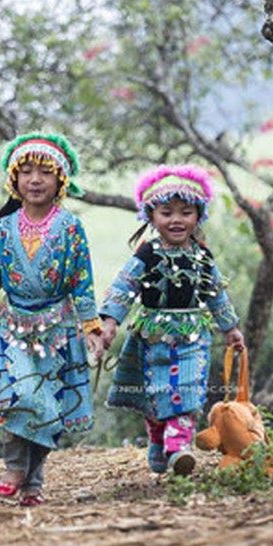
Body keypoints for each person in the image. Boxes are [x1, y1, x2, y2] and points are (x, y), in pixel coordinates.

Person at [0, 132, 103, 506]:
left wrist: (92, 326)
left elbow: (82, 281)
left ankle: (33, 483)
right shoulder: (2, 230)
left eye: (45, 173)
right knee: (24, 398)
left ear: (60, 181)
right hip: (13, 330)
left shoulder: (70, 229)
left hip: (58, 332)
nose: (35, 180)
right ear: (13, 180)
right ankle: (15, 467)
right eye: (26, 172)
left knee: (49, 405)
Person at [98, 164, 245, 476]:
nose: (176, 220)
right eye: (167, 212)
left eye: (185, 212)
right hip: (151, 338)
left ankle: (178, 448)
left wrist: (230, 327)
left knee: (188, 389)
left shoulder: (203, 257)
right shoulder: (147, 254)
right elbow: (125, 286)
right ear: (151, 216)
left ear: (198, 216)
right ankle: (157, 439)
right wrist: (110, 321)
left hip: (192, 337)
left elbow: (216, 294)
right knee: (155, 394)